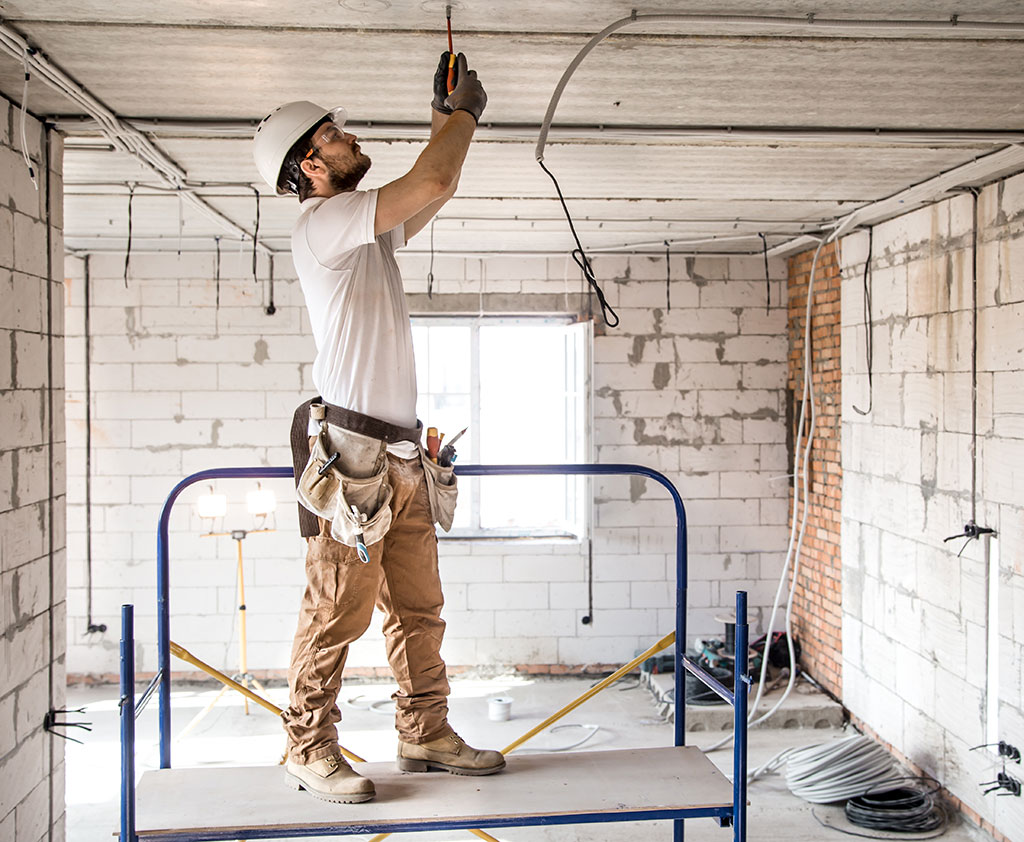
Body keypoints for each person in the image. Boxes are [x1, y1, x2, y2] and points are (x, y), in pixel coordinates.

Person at [251, 52, 503, 804]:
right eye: (334, 134)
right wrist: (465, 117)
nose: (348, 136)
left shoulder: (364, 235)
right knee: (337, 611)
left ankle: (423, 729)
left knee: (418, 609)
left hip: (399, 455)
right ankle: (306, 746)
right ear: (310, 165)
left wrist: (443, 115)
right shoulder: (324, 223)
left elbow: (433, 189)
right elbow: (432, 180)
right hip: (354, 455)